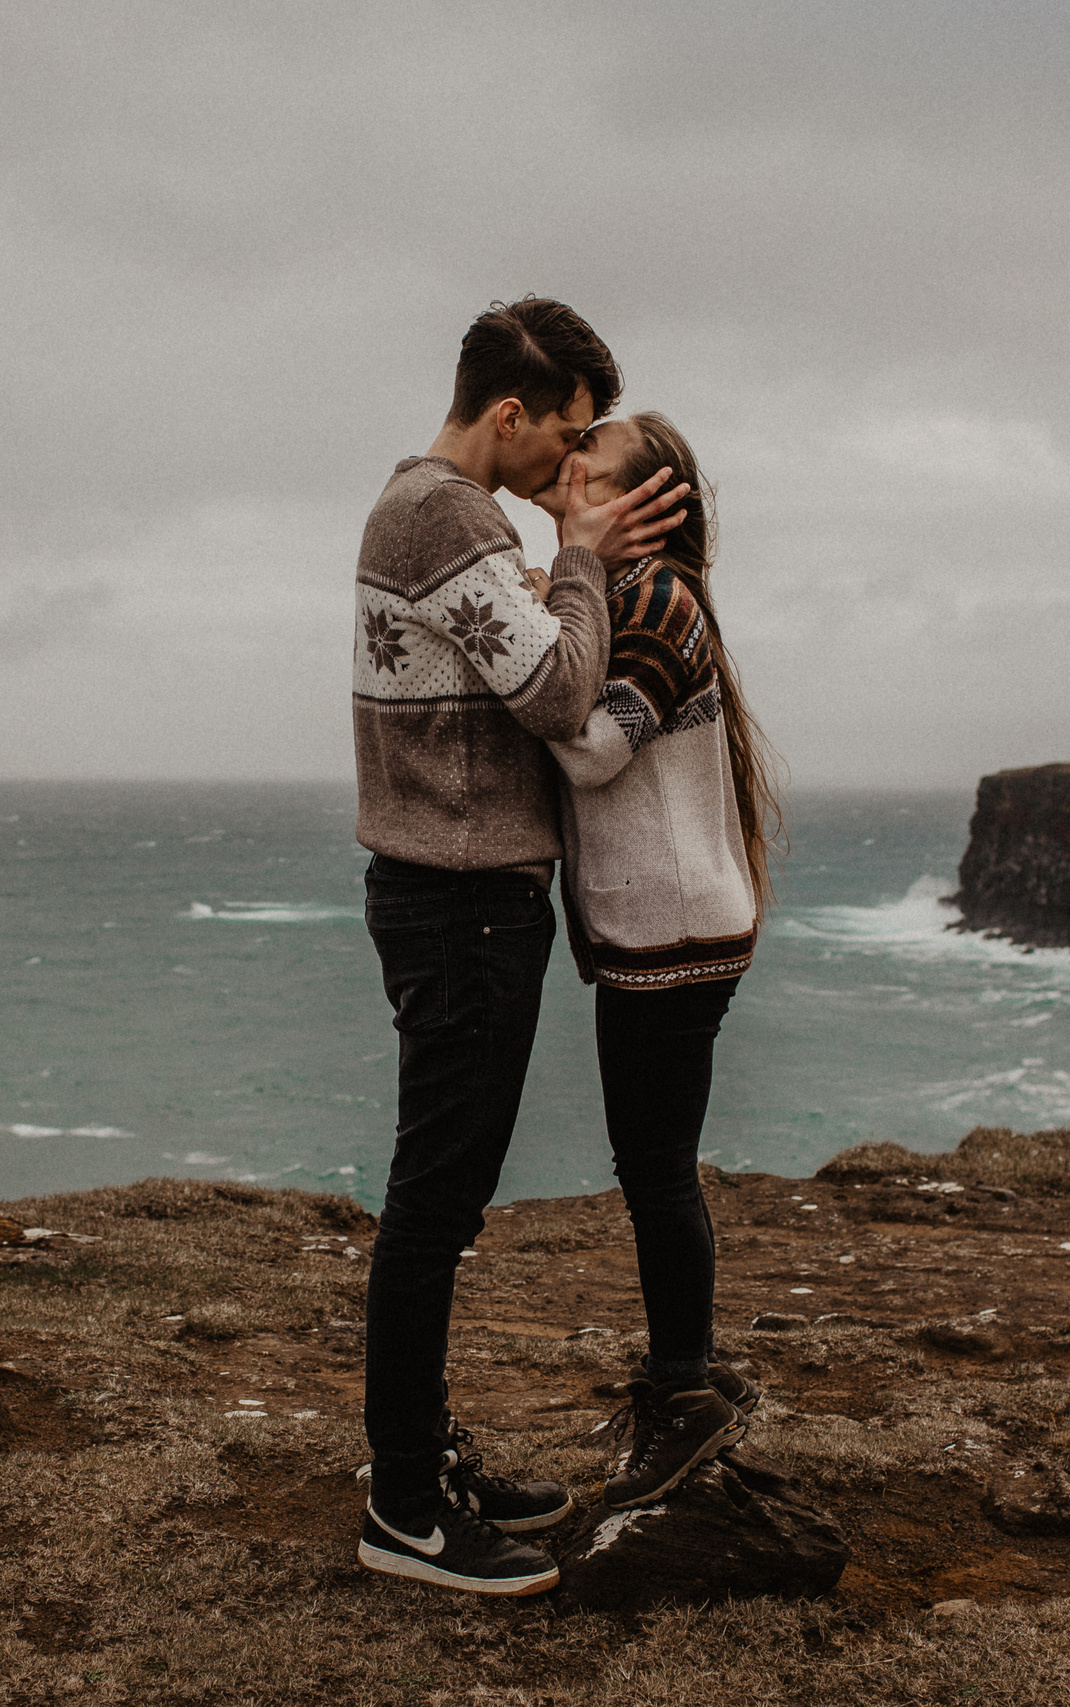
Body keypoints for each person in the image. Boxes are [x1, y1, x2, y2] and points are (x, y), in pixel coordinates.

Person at [349, 298, 689, 1597]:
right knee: (435, 1203)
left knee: (443, 1197)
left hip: (450, 891)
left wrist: (559, 563)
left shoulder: (428, 512)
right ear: (510, 412)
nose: (575, 462)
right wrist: (588, 555)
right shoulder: (449, 516)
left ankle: (421, 1456)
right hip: (462, 896)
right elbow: (556, 692)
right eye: (567, 432)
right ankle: (404, 1507)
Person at [532, 411, 781, 1510]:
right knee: (657, 1165)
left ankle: (682, 1392)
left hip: (670, 939)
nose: (568, 464)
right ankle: (696, 1369)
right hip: (672, 929)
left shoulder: (649, 601)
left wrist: (514, 671)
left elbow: (590, 751)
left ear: (653, 501)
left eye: (594, 458)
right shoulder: (629, 596)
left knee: (654, 1170)